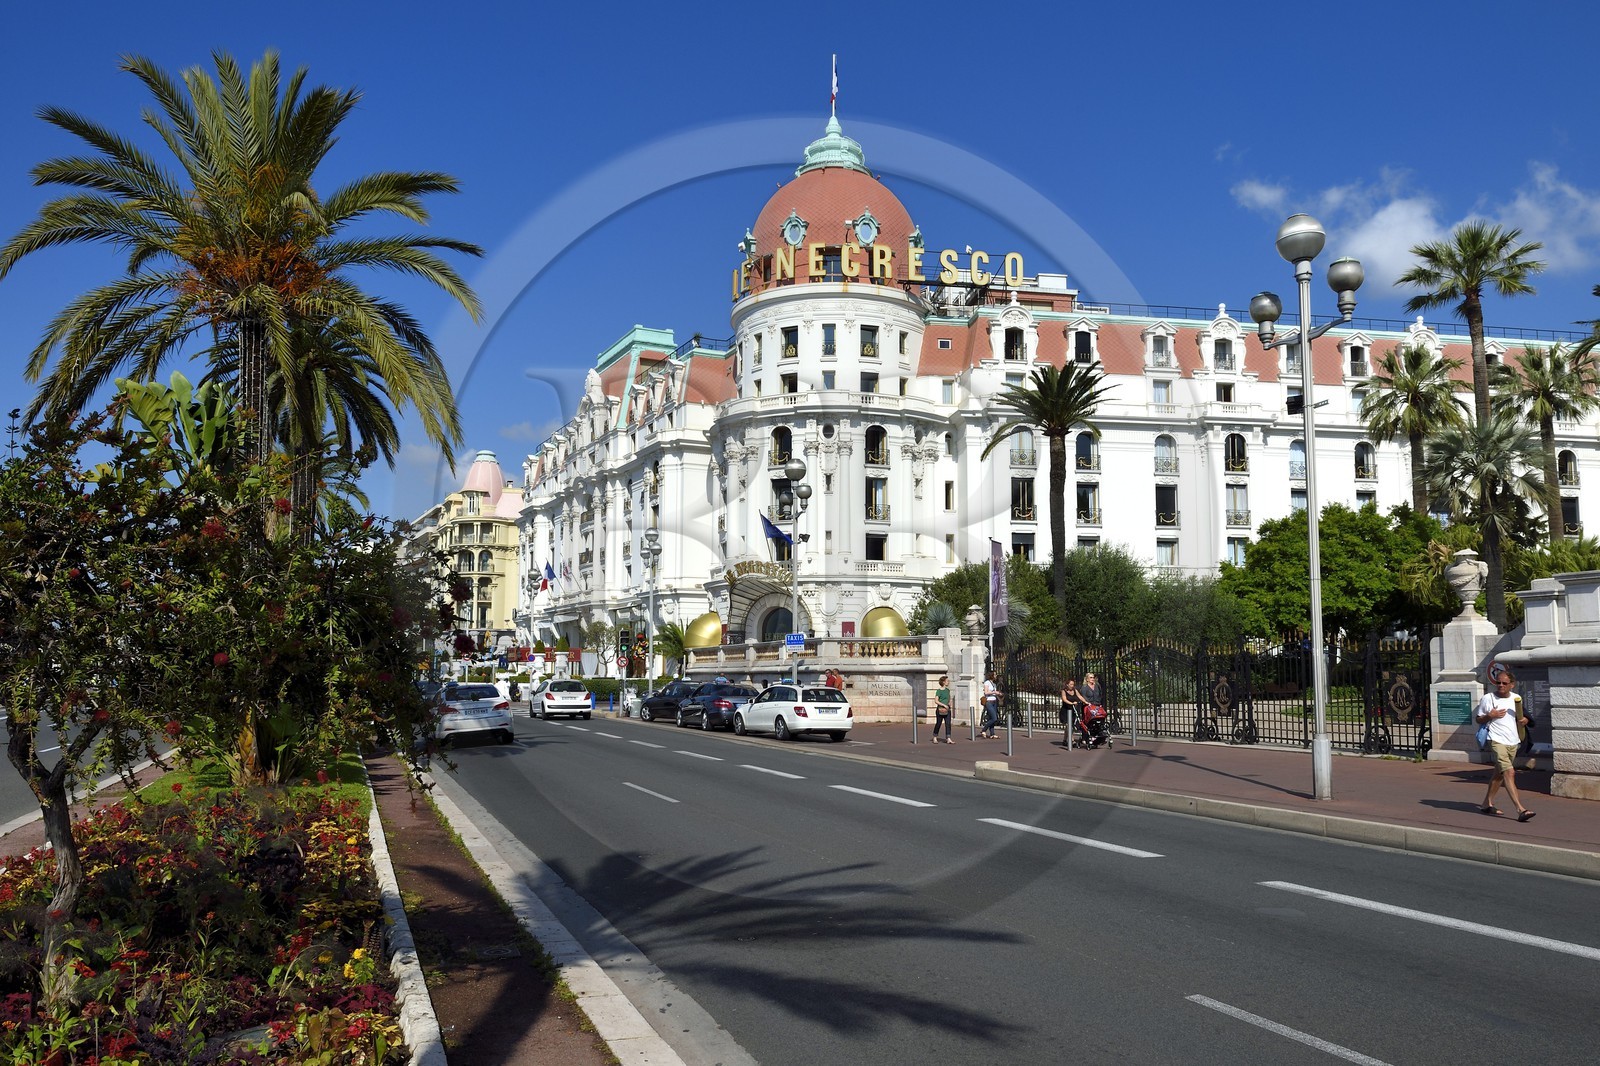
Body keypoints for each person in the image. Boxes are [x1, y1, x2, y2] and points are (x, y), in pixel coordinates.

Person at [1477, 667, 1535, 821]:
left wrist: (1525, 720)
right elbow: (1478, 719)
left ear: (1512, 685)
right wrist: (1490, 715)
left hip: (1513, 741)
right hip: (1496, 739)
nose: (1500, 685)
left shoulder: (1516, 698)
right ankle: (1520, 809)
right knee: (1509, 772)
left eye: (1504, 683)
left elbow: (1523, 717)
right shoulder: (1488, 698)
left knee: (1499, 774)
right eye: (1498, 683)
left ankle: (1486, 804)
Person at [1059, 678, 1083, 747]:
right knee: (1069, 726)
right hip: (1065, 711)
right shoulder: (1064, 691)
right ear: (1067, 684)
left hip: (1072, 711)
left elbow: (1080, 696)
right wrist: (1071, 703)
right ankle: (1072, 740)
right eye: (1071, 684)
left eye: (1073, 684)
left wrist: (1085, 701)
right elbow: (1064, 699)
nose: (1072, 686)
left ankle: (1064, 740)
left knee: (1069, 726)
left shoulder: (1075, 690)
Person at [979, 671, 1001, 738]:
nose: (996, 676)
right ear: (991, 675)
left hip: (994, 701)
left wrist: (998, 694)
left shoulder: (994, 684)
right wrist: (994, 692)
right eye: (995, 674)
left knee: (991, 718)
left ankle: (992, 734)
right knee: (994, 718)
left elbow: (993, 692)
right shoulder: (987, 682)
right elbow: (986, 692)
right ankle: (983, 730)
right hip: (989, 702)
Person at [933, 675, 953, 743]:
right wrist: (943, 705)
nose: (948, 682)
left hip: (947, 709)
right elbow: (936, 701)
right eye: (947, 681)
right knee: (938, 723)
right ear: (943, 682)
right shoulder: (939, 691)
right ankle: (935, 737)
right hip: (940, 709)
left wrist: (950, 703)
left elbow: (949, 698)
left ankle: (948, 738)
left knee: (948, 724)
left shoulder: (948, 690)